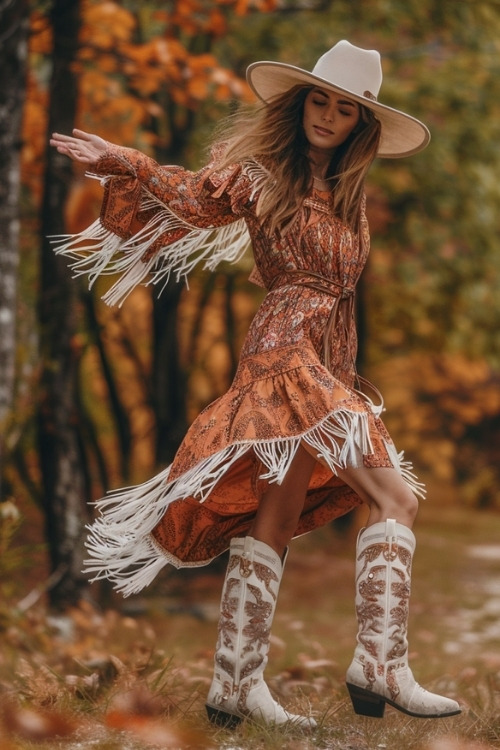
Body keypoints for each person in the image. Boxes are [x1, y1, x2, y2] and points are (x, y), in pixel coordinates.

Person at [50, 40, 461, 728]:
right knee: (394, 495)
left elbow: (341, 291)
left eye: (344, 108)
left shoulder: (350, 195)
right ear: (302, 104)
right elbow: (190, 196)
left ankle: (235, 683)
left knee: (278, 514)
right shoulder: (264, 172)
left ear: (361, 123)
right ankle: (381, 665)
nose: (327, 115)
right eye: (319, 100)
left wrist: (340, 371)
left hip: (324, 360)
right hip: (282, 352)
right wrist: (126, 161)